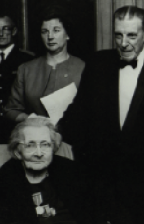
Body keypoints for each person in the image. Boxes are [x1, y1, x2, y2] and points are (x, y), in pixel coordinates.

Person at [58, 5, 144, 224]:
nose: (123, 43)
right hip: (101, 177)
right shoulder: (97, 64)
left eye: (131, 35)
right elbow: (79, 111)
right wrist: (57, 133)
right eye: (118, 35)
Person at [0, 118, 94, 223]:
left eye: (45, 144)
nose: (39, 154)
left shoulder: (71, 171)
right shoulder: (4, 182)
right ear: (18, 151)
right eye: (30, 145)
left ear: (53, 148)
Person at [4, 5, 84, 124]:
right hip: (35, 137)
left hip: (72, 139)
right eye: (44, 31)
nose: (50, 37)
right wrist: (33, 120)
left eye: (56, 30)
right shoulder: (26, 69)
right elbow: (11, 110)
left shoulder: (83, 68)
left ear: (67, 35)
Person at [0, 12, 34, 143]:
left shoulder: (27, 59)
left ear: (14, 31)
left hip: (16, 126)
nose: (1, 33)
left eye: (5, 28)